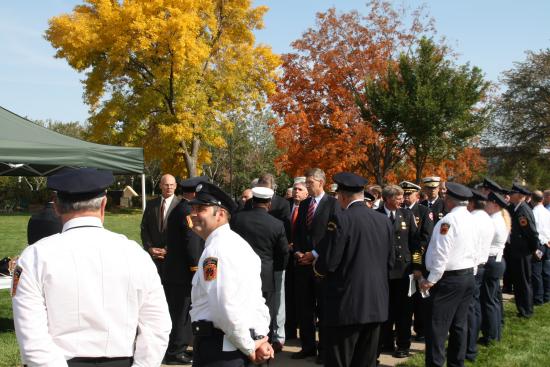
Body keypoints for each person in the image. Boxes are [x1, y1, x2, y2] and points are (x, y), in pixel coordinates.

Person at [12, 167, 171, 367]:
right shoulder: (135, 254)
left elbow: (31, 337)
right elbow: (157, 326)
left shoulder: (35, 256)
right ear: (104, 204)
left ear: (57, 206)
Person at [188, 181, 274, 366]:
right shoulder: (238, 244)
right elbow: (256, 300)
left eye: (200, 208)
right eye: (193, 208)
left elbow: (223, 308)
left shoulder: (215, 251)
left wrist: (250, 346)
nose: (193, 214)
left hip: (220, 351)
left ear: (219, 214)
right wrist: (260, 338)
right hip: (237, 345)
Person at [314, 172, 394, 367]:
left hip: (346, 305)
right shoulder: (383, 220)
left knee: (340, 360)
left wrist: (318, 267)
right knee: (366, 361)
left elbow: (329, 263)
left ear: (341, 195)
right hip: (376, 304)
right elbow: (390, 262)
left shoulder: (341, 219)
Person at [420, 182, 476, 367]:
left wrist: (431, 280)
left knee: (437, 328)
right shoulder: (470, 218)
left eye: (445, 197)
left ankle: (436, 364)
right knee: (459, 325)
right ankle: (456, 363)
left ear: (450, 200)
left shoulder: (448, 221)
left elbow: (441, 253)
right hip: (467, 276)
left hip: (449, 279)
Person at [292, 168, 340, 364]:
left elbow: (333, 235)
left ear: (321, 182)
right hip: (303, 264)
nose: (307, 185)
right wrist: (298, 251)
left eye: (310, 182)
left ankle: (324, 350)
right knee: (305, 308)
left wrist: (315, 254)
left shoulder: (333, 204)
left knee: (324, 309)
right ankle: (308, 346)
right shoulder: (303, 205)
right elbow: (297, 231)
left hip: (322, 265)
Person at [231, 187, 289, 345]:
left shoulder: (237, 219)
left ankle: (243, 343)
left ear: (252, 201)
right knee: (264, 312)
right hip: (265, 274)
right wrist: (275, 269)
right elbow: (283, 253)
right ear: (269, 203)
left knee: (241, 309)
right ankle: (263, 344)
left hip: (239, 273)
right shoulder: (277, 224)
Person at [162, 176, 206, 365]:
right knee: (182, 313)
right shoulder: (187, 211)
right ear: (195, 193)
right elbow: (192, 243)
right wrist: (196, 268)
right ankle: (176, 351)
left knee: (178, 311)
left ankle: (175, 348)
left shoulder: (179, 208)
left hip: (175, 271)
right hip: (183, 273)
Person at [376, 185, 418, 359]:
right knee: (385, 310)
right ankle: (385, 342)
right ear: (387, 199)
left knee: (404, 311)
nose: (402, 200)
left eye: (403, 197)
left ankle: (403, 344)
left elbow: (415, 243)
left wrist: (417, 266)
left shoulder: (407, 215)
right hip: (383, 271)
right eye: (398, 197)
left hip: (404, 271)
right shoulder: (376, 214)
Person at [400, 180, 434, 341]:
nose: (406, 197)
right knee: (405, 301)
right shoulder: (398, 211)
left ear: (417, 195)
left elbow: (425, 239)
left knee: (420, 300)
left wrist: (416, 261)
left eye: (409, 194)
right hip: (401, 263)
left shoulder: (423, 211)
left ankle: (421, 329)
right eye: (404, 194)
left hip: (418, 262)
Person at [465, 190, 494, 362]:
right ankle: (470, 346)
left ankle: (469, 348)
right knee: (474, 308)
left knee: (470, 310)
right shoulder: (486, 218)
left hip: (473, 267)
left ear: (471, 203)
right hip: (481, 265)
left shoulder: (473, 219)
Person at [479, 192, 509, 344]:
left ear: (495, 205)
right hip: (496, 261)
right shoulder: (497, 218)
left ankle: (490, 336)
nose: (485, 205)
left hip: (491, 261)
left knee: (488, 300)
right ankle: (495, 333)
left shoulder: (493, 221)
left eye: (488, 203)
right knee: (493, 300)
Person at [507, 183, 540, 318]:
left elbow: (532, 233)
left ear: (520, 196)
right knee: (519, 282)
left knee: (524, 282)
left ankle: (526, 310)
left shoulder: (523, 211)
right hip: (516, 251)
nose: (510, 195)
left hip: (523, 252)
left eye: (512, 193)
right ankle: (522, 308)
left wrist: (533, 250)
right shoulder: (516, 208)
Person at [140, 174, 180, 274]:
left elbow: (182, 232)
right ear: (160, 185)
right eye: (166, 185)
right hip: (153, 258)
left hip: (173, 258)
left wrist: (168, 249)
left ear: (175, 186)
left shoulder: (181, 205)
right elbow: (144, 228)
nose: (169, 187)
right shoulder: (151, 204)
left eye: (172, 185)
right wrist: (149, 248)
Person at [285, 176, 309, 343]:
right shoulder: (285, 207)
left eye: (300, 189)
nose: (296, 192)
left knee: (303, 298)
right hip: (287, 256)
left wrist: (299, 249)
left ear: (307, 193)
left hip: (304, 258)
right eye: (294, 189)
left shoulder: (308, 208)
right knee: (289, 296)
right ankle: (290, 330)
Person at [529, 190, 550, 305]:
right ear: (542, 199)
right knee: (546, 272)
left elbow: (534, 232)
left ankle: (538, 297)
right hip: (547, 244)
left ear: (532, 199)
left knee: (536, 272)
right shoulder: (547, 212)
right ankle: (547, 295)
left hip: (539, 245)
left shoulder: (533, 213)